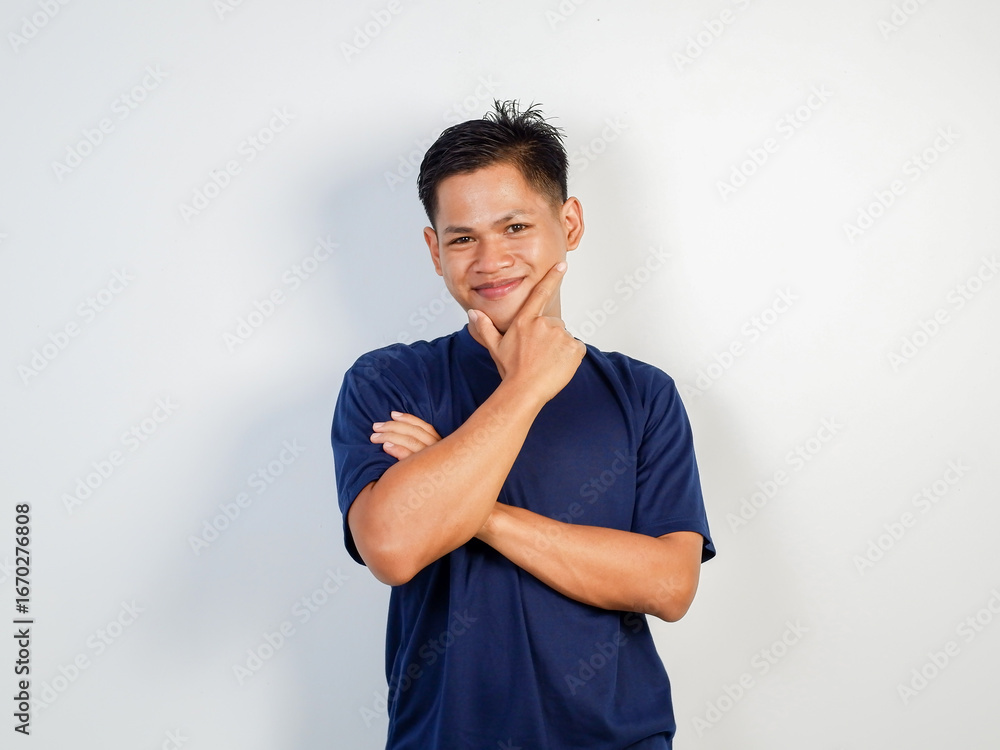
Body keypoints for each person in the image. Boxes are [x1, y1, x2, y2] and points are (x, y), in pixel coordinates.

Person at [331, 99, 715, 749]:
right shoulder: (389, 382)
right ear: (434, 250)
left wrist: (469, 508)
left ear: (569, 223)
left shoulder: (643, 393)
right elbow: (393, 550)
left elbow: (668, 584)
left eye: (514, 227)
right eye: (462, 238)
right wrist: (526, 388)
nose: (490, 259)